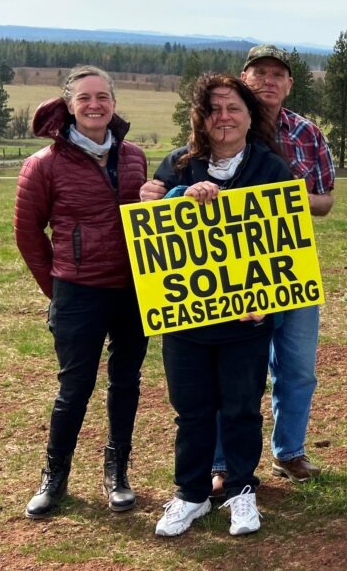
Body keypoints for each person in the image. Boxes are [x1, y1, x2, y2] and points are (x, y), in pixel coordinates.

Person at [142, 45, 334, 490]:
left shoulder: (304, 135)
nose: (269, 81)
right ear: (243, 81)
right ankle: (219, 463)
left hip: (284, 270)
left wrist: (281, 202)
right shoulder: (199, 143)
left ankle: (289, 452)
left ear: (289, 84)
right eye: (259, 73)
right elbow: (160, 216)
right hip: (214, 286)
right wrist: (160, 197)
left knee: (297, 368)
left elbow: (325, 199)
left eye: (278, 75)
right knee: (222, 377)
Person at [148, 73, 294, 538]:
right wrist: (177, 197)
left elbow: (287, 243)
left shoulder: (271, 168)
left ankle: (241, 491)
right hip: (185, 318)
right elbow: (147, 227)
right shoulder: (178, 164)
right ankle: (190, 494)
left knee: (241, 407)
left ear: (251, 116)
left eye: (233, 108)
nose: (224, 117)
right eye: (214, 109)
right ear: (200, 118)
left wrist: (268, 300)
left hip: (246, 319)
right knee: (191, 409)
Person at [14, 66, 149, 519]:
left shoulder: (134, 156)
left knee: (126, 382)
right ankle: (54, 476)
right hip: (77, 291)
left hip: (132, 290)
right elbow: (28, 233)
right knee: (75, 387)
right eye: (86, 97)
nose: (95, 105)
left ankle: (118, 472)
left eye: (103, 96)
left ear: (114, 102)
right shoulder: (43, 164)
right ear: (69, 104)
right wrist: (57, 288)